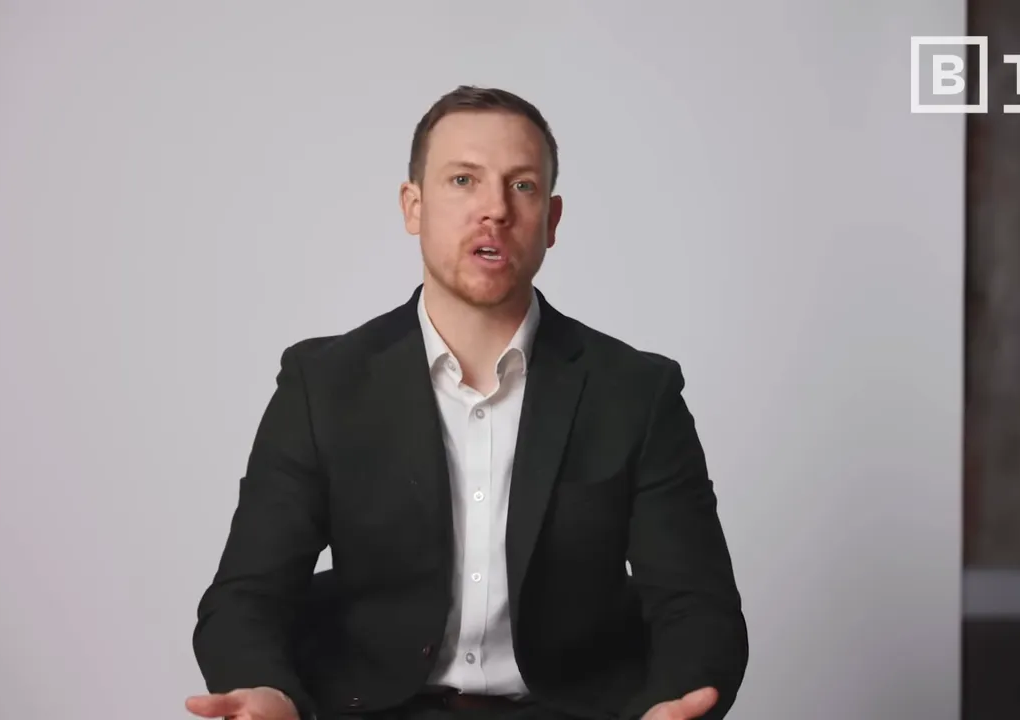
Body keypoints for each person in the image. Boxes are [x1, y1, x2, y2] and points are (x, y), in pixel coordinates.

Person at [185, 85, 748, 720]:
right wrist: (270, 691)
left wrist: (670, 705)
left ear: (552, 222)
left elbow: (696, 608)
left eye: (523, 186)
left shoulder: (637, 392)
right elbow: (245, 598)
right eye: (462, 180)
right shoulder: (323, 383)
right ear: (413, 206)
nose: (495, 211)